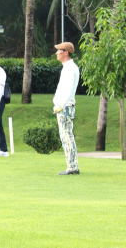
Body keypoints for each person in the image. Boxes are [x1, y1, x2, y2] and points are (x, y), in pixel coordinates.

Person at [53, 42, 80, 175]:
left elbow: (69, 89)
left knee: (66, 136)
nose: (57, 52)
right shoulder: (68, 67)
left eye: (59, 50)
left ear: (66, 52)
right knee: (67, 136)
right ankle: (73, 166)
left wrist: (60, 105)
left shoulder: (69, 68)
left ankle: (72, 167)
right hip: (65, 106)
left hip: (65, 107)